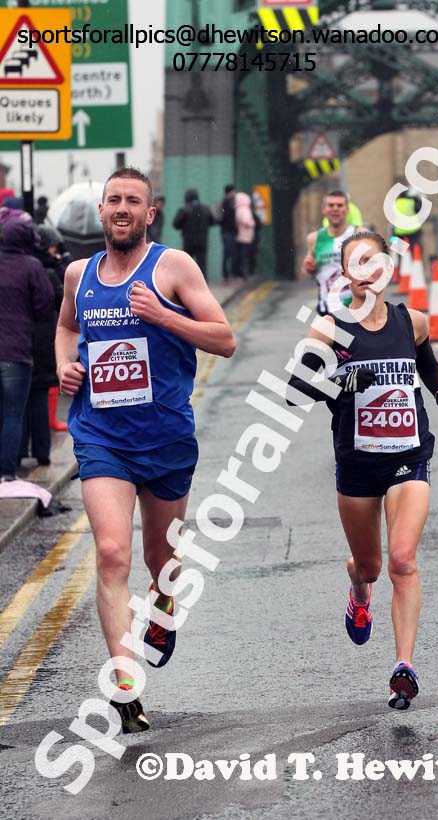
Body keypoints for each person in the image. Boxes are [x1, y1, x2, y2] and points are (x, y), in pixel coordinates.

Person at [55, 167, 236, 732]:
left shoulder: (173, 267)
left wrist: (162, 315)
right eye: (114, 200)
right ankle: (125, 681)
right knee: (112, 553)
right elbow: (65, 328)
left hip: (165, 437)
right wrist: (66, 364)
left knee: (163, 563)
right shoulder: (78, 274)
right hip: (101, 435)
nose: (122, 208)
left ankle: (163, 607)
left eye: (133, 200)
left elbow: (225, 339)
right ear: (102, 211)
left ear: (150, 213)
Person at [288, 230, 438, 709]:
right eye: (358, 261)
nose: (368, 267)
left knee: (403, 560)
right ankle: (357, 587)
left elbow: (427, 367)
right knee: (369, 564)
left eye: (376, 259)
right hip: (357, 464)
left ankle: (403, 668)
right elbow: (294, 389)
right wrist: (341, 380)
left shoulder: (413, 322)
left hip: (409, 454)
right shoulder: (330, 329)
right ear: (346, 274)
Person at [0, 220, 54, 481]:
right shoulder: (32, 267)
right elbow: (44, 306)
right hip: (17, 352)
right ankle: (6, 473)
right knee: (13, 414)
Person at [20, 226, 69, 467]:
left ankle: (18, 452)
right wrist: (61, 264)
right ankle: (42, 453)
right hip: (42, 340)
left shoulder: (19, 266)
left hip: (19, 341)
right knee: (38, 396)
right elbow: (60, 300)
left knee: (17, 402)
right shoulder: (47, 272)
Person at [301, 190, 358, 315]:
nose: (335, 209)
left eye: (339, 205)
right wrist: (309, 268)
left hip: (355, 308)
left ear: (347, 209)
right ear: (324, 210)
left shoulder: (358, 234)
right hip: (327, 309)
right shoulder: (314, 238)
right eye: (331, 205)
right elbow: (310, 271)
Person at [172, 188, 214, 277]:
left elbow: (175, 224)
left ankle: (187, 285)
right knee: (202, 264)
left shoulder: (184, 209)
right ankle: (203, 285)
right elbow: (212, 221)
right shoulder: (206, 208)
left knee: (187, 264)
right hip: (202, 240)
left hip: (189, 241)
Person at [217, 184, 237, 282]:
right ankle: (226, 276)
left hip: (225, 231)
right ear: (231, 191)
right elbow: (229, 218)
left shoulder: (224, 201)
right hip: (228, 232)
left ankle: (227, 276)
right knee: (228, 254)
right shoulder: (228, 202)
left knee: (227, 254)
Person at [234, 192, 255, 279]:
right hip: (245, 237)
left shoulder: (238, 209)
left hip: (241, 236)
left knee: (242, 256)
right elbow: (246, 221)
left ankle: (241, 273)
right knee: (244, 256)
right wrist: (252, 223)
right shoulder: (244, 209)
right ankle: (244, 274)